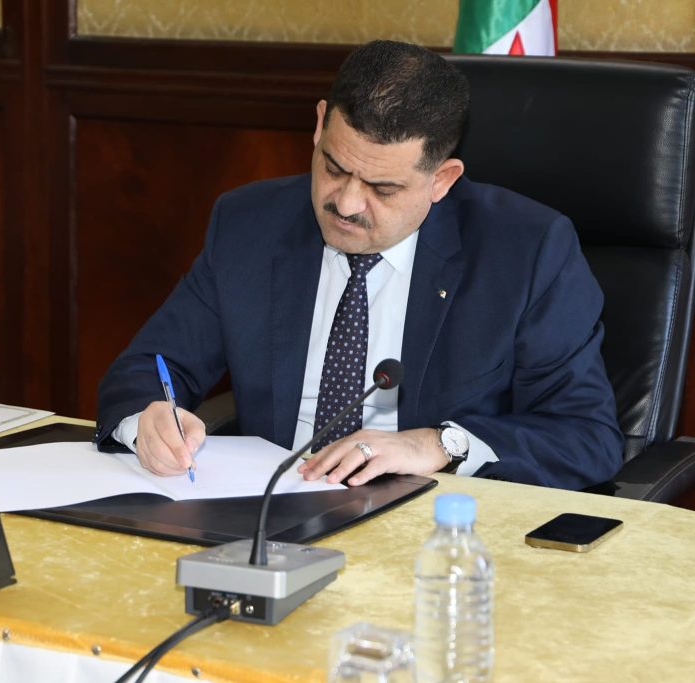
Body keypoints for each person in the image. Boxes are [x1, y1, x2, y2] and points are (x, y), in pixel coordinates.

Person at [94, 40, 623, 491]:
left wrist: (439, 444)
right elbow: (150, 366)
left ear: (441, 180)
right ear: (319, 124)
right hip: (266, 510)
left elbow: (586, 436)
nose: (346, 203)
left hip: (430, 527)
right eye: (333, 167)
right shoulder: (249, 225)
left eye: (382, 189)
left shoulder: (526, 251)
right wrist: (148, 419)